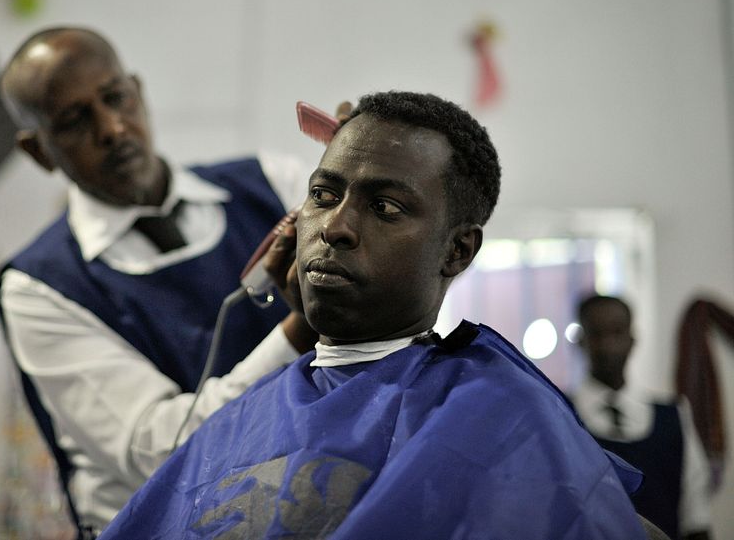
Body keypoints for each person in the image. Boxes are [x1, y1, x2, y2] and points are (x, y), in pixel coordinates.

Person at [99, 90, 646, 539]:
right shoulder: (236, 422)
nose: (335, 226)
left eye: (385, 206)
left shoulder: (505, 416)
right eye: (322, 194)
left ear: (456, 251)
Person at [0, 27, 322, 534]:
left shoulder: (271, 184)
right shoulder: (39, 287)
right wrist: (303, 327)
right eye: (74, 120)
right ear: (38, 151)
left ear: (138, 92)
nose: (112, 129)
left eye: (115, 98)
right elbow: (163, 451)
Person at [573, 294, 713, 540]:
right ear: (581, 341)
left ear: (632, 339)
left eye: (617, 332)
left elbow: (695, 512)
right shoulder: (562, 414)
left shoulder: (673, 415)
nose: (607, 345)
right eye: (596, 333)